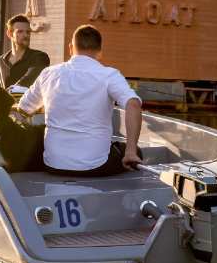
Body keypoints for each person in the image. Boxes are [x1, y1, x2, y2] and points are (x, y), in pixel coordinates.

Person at [15, 25, 143, 177]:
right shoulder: (109, 75)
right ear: (100, 52)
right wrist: (130, 151)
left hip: (53, 164)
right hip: (95, 166)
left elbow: (22, 110)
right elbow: (133, 104)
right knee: (137, 152)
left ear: (70, 48)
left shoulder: (48, 73)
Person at [0, 15, 50, 90]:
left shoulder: (40, 57)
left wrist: (7, 94)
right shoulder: (1, 60)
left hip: (29, 102)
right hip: (7, 101)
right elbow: (0, 89)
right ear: (10, 34)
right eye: (20, 31)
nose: (26, 35)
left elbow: (28, 81)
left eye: (28, 32)